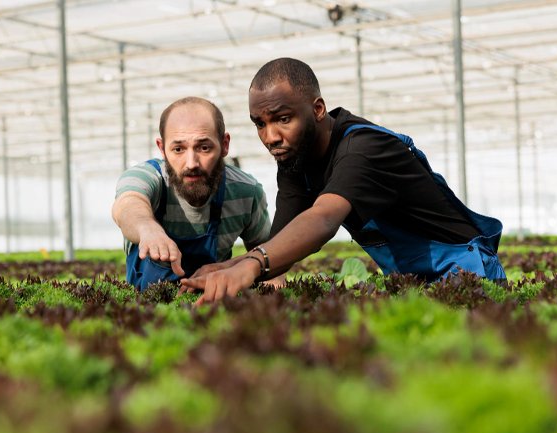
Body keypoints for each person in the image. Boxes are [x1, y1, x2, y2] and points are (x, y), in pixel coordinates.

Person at [181, 57, 506, 303]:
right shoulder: (296, 160)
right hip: (413, 281)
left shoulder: (362, 150)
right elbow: (279, 248)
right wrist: (230, 267)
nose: (271, 137)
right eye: (260, 124)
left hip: (466, 273)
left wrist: (251, 264)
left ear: (318, 109)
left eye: (283, 119)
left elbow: (323, 219)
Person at [112, 96, 272, 291]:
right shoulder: (147, 177)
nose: (191, 164)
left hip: (214, 312)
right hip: (149, 313)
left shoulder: (246, 193)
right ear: (162, 149)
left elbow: (269, 257)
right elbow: (128, 205)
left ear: (225, 144)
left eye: (204, 148)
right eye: (178, 149)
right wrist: (148, 229)